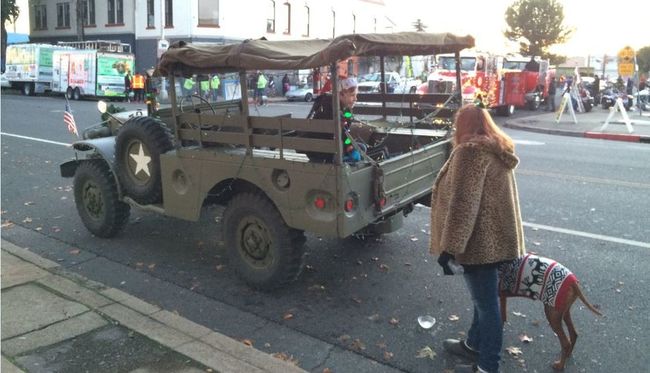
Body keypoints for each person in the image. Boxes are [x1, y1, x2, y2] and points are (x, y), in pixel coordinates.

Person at [430, 104, 526, 373]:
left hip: (479, 243)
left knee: (487, 306)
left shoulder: (470, 153)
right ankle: (473, 345)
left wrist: (449, 249)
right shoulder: (495, 148)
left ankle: (487, 366)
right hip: (496, 239)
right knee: (484, 300)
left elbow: (464, 204)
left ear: (464, 126)